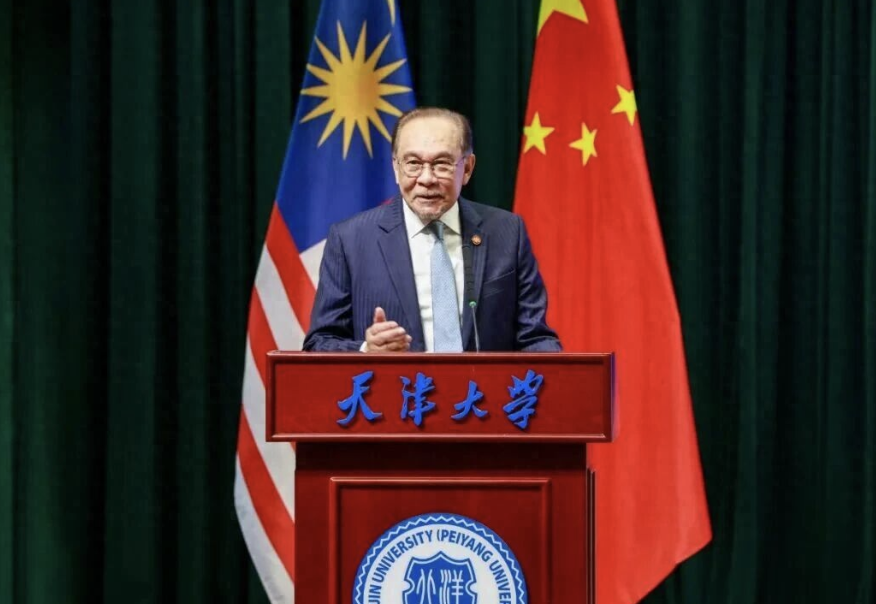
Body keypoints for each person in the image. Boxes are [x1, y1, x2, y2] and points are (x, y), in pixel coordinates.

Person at [302, 107, 561, 353]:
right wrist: (367, 350)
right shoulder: (350, 240)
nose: (426, 179)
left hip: (482, 387)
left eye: (441, 164)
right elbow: (319, 342)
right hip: (396, 386)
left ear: (467, 168)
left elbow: (535, 338)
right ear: (396, 168)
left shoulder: (507, 232)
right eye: (413, 163)